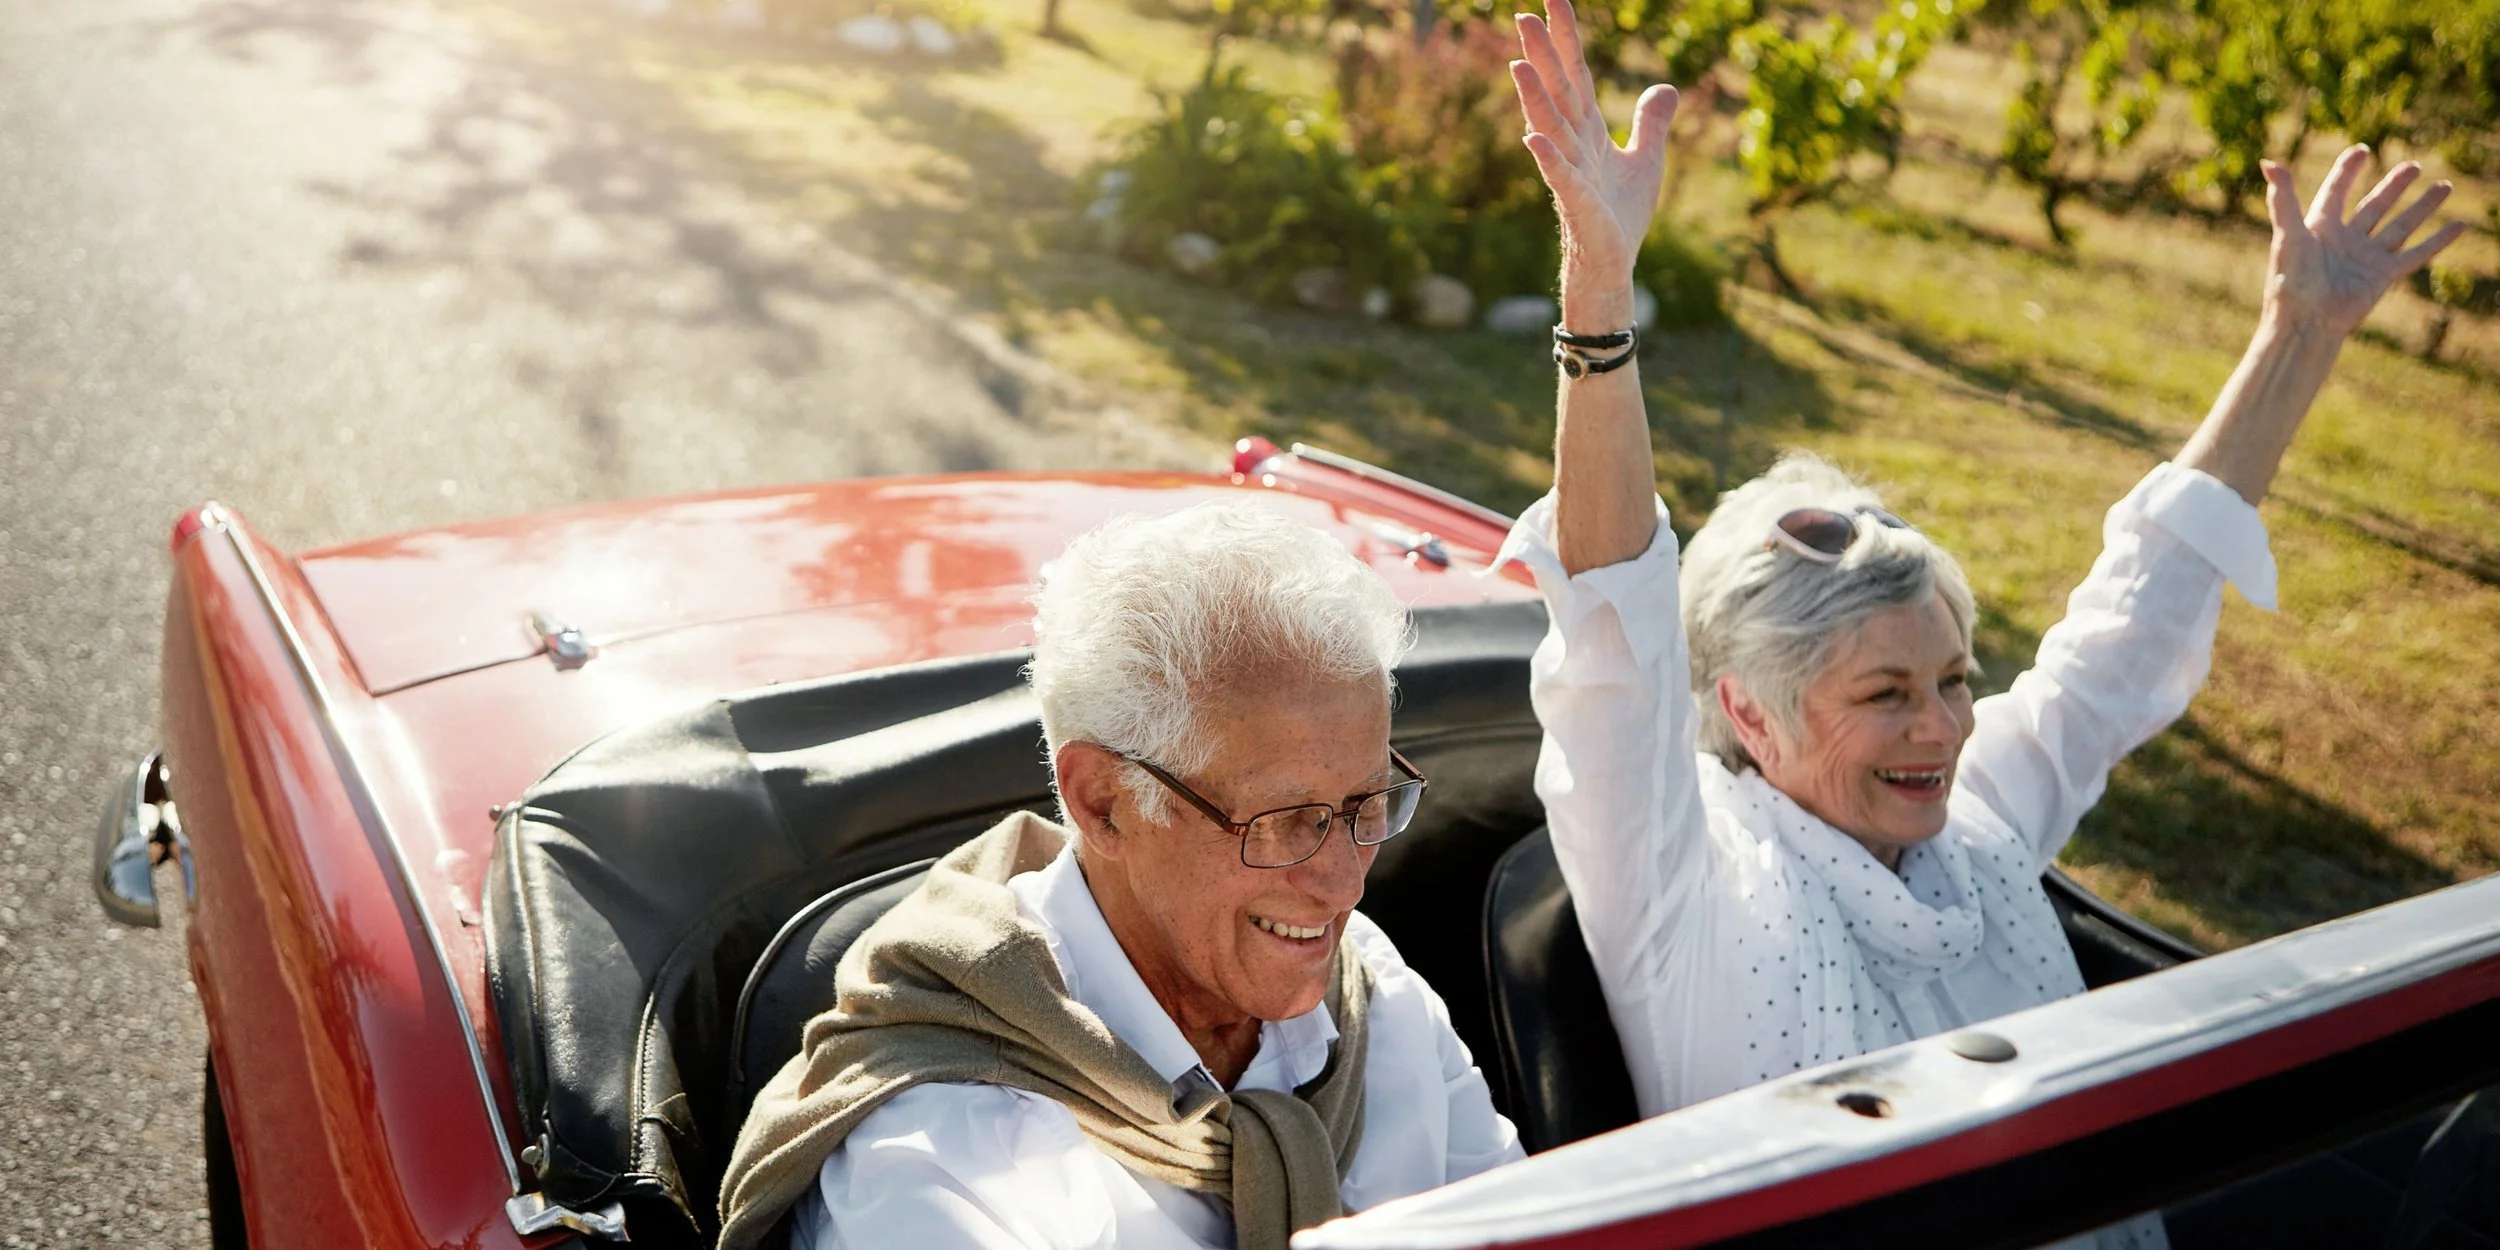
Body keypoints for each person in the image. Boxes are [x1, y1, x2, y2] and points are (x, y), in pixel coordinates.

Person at [1498, 1, 2462, 1243]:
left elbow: (2133, 612)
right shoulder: (1676, 875)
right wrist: (1598, 283)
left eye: (1954, 678)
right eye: (1885, 693)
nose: (1945, 726)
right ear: (1746, 708)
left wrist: (2297, 333)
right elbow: (1614, 612)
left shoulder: (1974, 818)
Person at [716, 503, 1523, 1250]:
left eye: (1365, 804)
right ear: (1103, 803)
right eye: (1282, 819)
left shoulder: (1371, 991)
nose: (1343, 884)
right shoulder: (945, 1159)